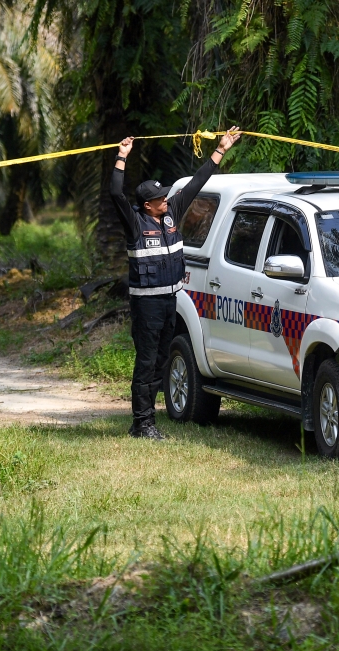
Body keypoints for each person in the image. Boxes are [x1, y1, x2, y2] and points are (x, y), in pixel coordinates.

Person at [111, 127, 242, 440]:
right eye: (160, 199)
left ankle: (143, 421)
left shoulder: (171, 215)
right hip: (147, 306)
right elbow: (116, 194)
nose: (166, 200)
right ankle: (143, 424)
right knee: (146, 363)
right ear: (147, 205)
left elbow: (197, 183)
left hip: (170, 302)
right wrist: (121, 157)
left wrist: (221, 149)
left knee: (160, 362)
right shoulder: (135, 223)